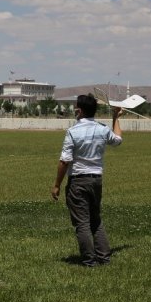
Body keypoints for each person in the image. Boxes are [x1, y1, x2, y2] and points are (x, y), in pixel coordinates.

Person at [52, 93, 123, 267]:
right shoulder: (102, 129)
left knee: (82, 223)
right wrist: (115, 118)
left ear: (80, 110)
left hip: (78, 181)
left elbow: (64, 161)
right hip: (96, 180)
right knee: (95, 219)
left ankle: (89, 260)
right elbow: (117, 140)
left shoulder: (72, 132)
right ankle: (104, 257)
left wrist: (56, 185)